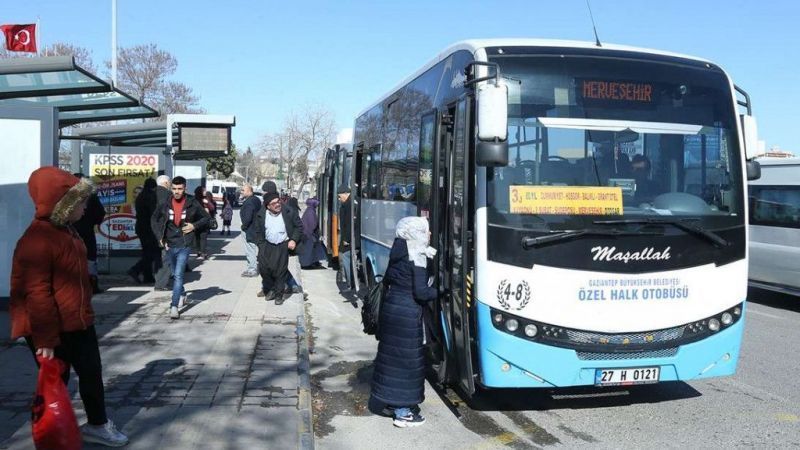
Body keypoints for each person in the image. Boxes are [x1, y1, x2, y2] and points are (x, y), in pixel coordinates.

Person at [10, 167, 129, 447]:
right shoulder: (37, 239)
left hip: (78, 320)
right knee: (55, 383)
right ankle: (51, 434)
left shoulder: (66, 230)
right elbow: (36, 293)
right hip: (53, 328)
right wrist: (45, 340)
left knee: (91, 374)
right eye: (81, 202)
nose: (86, 207)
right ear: (63, 204)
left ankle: (97, 425)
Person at [370, 216, 438, 428]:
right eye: (425, 230)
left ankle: (391, 403)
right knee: (406, 364)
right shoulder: (417, 255)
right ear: (415, 233)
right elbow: (421, 292)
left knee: (392, 360)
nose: (429, 234)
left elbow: (391, 279)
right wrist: (441, 291)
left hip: (392, 311)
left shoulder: (398, 249)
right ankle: (403, 413)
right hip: (407, 316)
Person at [152, 176, 210, 319]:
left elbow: (206, 217)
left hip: (185, 243)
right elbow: (154, 218)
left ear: (185, 189)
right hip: (169, 242)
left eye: (180, 189)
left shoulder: (192, 201)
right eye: (174, 189)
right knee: (174, 273)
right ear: (171, 188)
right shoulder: (166, 202)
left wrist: (194, 226)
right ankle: (182, 293)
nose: (177, 192)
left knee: (178, 275)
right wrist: (160, 236)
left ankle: (174, 305)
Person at [254, 192, 302, 305]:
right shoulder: (261, 215)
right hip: (266, 245)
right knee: (264, 268)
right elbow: (257, 231)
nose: (277, 204)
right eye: (273, 203)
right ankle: (270, 289)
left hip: (282, 245)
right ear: (268, 206)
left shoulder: (289, 212)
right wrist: (260, 244)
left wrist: (293, 240)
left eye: (278, 201)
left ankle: (279, 295)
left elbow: (299, 227)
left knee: (280, 271)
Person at [72, 173, 106, 294]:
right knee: (90, 257)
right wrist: (93, 222)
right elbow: (100, 212)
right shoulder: (90, 195)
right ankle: (92, 284)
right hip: (87, 230)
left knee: (73, 257)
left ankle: (75, 284)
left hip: (72, 231)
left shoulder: (68, 195)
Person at [128, 177, 159, 283]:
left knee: (146, 252)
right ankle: (135, 270)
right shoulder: (150, 196)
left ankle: (148, 276)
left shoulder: (140, 196)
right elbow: (153, 213)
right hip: (149, 229)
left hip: (141, 228)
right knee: (152, 253)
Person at [153, 175, 173, 291]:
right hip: (163, 229)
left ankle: (156, 279)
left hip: (148, 230)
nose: (170, 185)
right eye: (170, 183)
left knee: (156, 256)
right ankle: (161, 284)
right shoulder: (168, 195)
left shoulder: (148, 194)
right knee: (165, 257)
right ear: (166, 183)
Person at [239, 184, 261, 277]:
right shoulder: (256, 199)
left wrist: (244, 226)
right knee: (252, 248)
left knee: (250, 249)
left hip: (250, 229)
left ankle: (252, 269)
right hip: (256, 228)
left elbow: (248, 217)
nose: (241, 192)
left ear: (249, 191)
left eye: (243, 190)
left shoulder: (249, 202)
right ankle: (253, 268)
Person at [299, 197, 327, 269]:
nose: (317, 206)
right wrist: (314, 232)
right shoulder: (311, 212)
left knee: (310, 250)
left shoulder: (309, 210)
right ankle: (307, 265)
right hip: (309, 235)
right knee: (309, 251)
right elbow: (312, 224)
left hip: (307, 234)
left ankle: (310, 263)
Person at [337, 185, 353, 288]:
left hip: (349, 239)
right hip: (351, 238)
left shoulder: (348, 205)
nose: (339, 199)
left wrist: (346, 239)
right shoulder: (351, 202)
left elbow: (349, 223)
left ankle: (349, 282)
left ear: (346, 193)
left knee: (346, 257)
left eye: (339, 196)